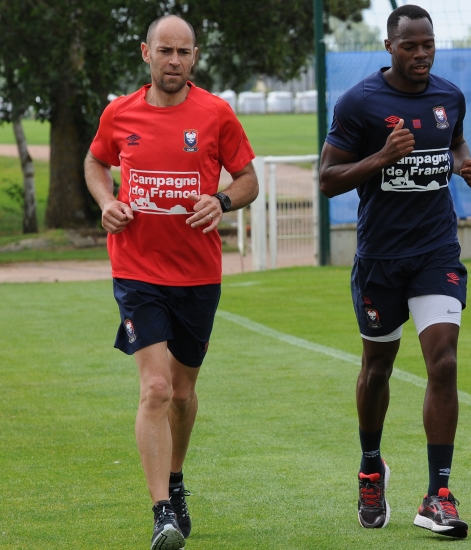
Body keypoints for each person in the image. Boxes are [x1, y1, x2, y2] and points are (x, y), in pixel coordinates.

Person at [84, 14, 258, 550]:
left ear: (195, 56)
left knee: (183, 392)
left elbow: (247, 177)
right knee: (156, 388)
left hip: (198, 275)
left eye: (184, 52)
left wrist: (222, 200)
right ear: (146, 53)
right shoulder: (120, 112)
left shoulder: (215, 113)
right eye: (165, 51)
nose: (174, 61)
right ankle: (162, 512)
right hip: (137, 272)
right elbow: (94, 162)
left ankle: (177, 481)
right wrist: (107, 201)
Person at [319, 4, 471, 540]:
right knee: (377, 370)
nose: (420, 54)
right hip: (380, 260)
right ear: (389, 47)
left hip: (436, 252)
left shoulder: (448, 96)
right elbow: (327, 179)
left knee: (444, 360)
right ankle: (371, 466)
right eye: (410, 46)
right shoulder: (360, 102)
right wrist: (382, 158)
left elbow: (454, 138)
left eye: (427, 45)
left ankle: (437, 493)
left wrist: (464, 161)